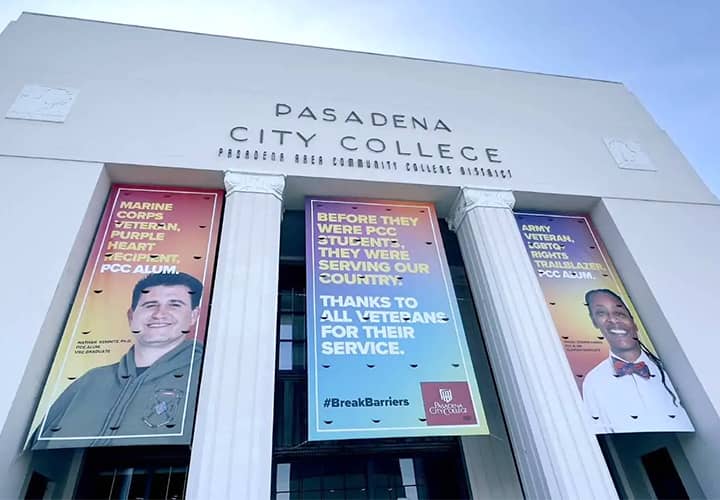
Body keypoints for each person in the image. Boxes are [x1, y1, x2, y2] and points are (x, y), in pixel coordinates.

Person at [33, 272, 205, 449]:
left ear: (193, 316)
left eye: (174, 305)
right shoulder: (91, 380)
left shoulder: (206, 379)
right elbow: (34, 453)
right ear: (131, 316)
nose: (159, 314)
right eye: (149, 305)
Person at [581, 288, 693, 433]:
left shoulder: (667, 367)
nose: (613, 320)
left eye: (619, 313)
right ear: (594, 321)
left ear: (633, 321)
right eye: (601, 313)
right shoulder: (594, 381)